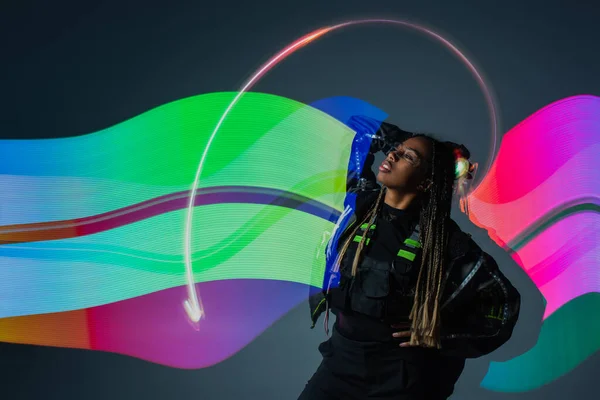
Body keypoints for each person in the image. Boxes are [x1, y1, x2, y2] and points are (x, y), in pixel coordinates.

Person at [298, 116, 521, 400]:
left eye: (408, 157)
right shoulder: (361, 207)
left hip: (402, 380)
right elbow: (362, 130)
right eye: (396, 150)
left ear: (428, 182)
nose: (392, 154)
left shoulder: (445, 243)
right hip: (340, 363)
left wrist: (442, 332)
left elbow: (503, 305)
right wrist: (416, 144)